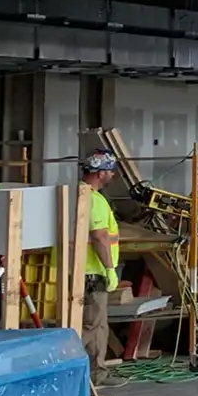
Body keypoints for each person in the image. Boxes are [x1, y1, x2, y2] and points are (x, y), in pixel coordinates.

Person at [77, 151, 122, 379]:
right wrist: (110, 269)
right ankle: (88, 373)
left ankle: (95, 374)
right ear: (100, 172)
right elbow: (100, 237)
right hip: (92, 272)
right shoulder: (93, 199)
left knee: (95, 326)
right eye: (110, 170)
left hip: (80, 271)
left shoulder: (75, 194)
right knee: (91, 327)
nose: (112, 174)